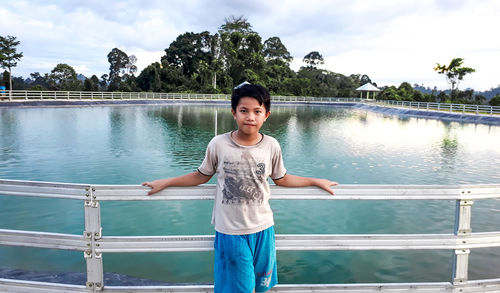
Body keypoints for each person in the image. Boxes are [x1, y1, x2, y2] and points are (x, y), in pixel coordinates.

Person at [142, 82, 338, 293]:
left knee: (260, 287)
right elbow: (201, 176)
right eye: (244, 111)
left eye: (257, 111)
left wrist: (315, 181)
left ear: (267, 115)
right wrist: (167, 182)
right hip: (231, 231)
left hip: (263, 228)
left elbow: (282, 179)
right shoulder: (218, 144)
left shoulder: (271, 145)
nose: (250, 117)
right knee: (240, 289)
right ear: (233, 112)